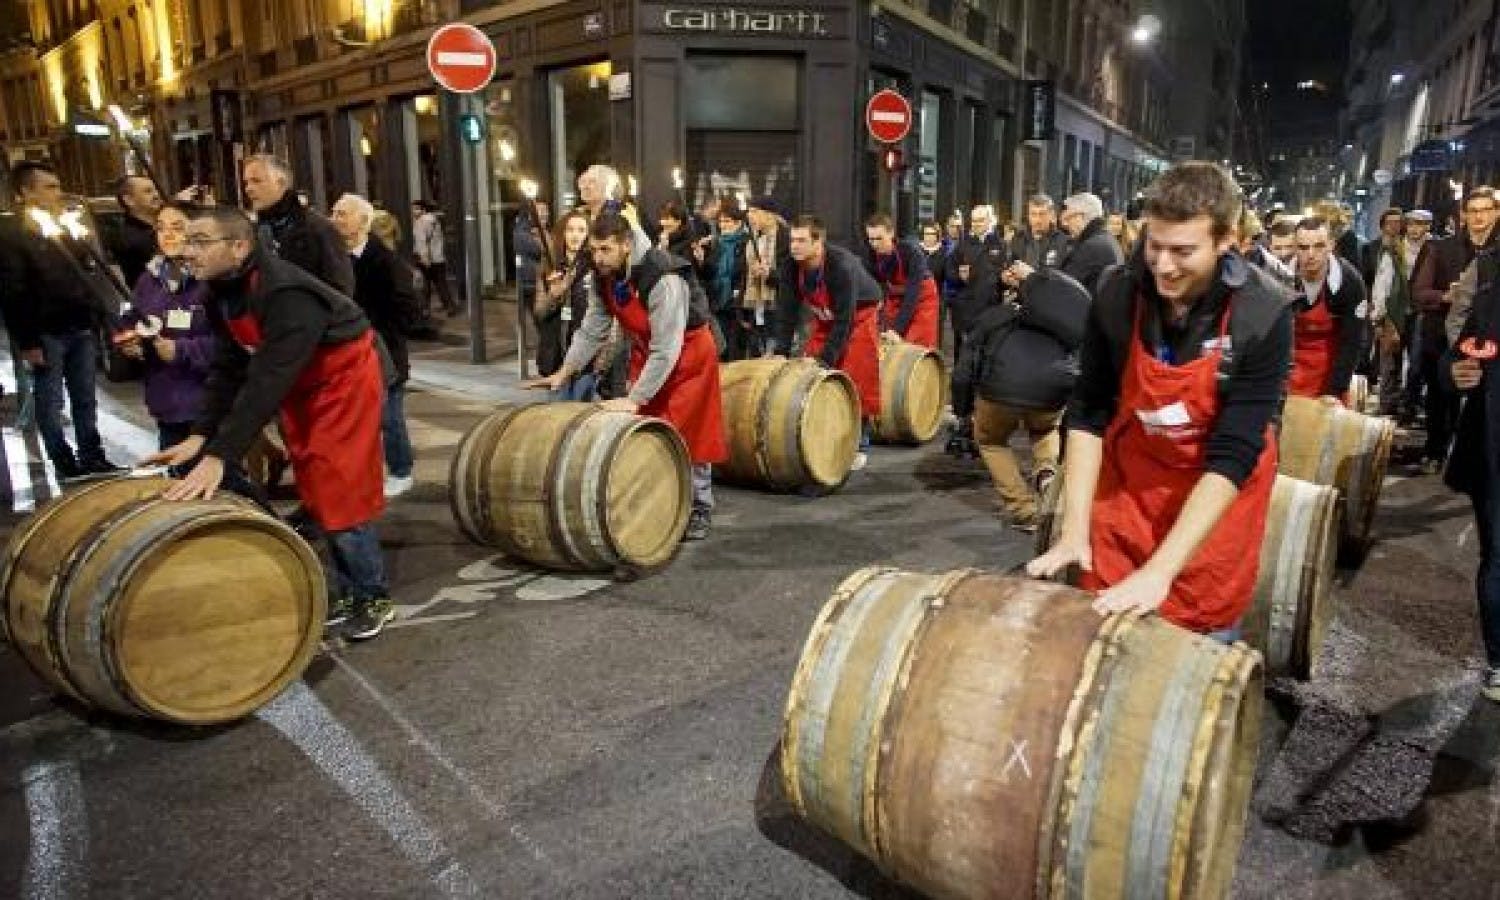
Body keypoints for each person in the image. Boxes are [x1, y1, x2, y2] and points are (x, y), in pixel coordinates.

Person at [1027, 161, 1293, 639]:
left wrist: (1160, 571)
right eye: (1155, 246)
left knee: (1195, 637)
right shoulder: (1118, 292)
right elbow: (1088, 412)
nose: (1164, 266)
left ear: (1226, 240)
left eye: (1183, 251)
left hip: (1211, 499)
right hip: (1133, 482)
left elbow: (1235, 451)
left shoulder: (1263, 313)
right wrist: (1074, 529)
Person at [148, 206, 394, 641]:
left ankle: (373, 594)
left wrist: (222, 455)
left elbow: (265, 382)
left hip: (343, 379)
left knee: (340, 484)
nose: (188, 251)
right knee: (313, 483)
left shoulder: (284, 293)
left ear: (240, 246)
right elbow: (229, 368)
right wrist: (200, 435)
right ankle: (346, 589)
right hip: (301, 383)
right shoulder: (218, 290)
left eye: (200, 241)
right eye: (187, 240)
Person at [524, 213, 726, 541]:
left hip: (688, 358)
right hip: (650, 354)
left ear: (627, 245)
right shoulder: (602, 275)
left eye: (606, 249)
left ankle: (700, 505)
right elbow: (592, 329)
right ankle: (663, 498)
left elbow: (668, 347)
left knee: (691, 431)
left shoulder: (662, 277)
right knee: (649, 430)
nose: (598, 257)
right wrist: (566, 370)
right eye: (594, 249)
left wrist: (635, 398)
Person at [0, 161, 124, 479]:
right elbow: (14, 289)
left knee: (85, 397)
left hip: (78, 324)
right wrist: (27, 340)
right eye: (49, 187)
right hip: (45, 332)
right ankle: (63, 461)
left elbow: (85, 270)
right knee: (51, 402)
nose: (58, 193)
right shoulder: (12, 233)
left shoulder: (63, 224)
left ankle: (91, 456)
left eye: (57, 186)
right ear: (26, 191)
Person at [953, 268, 1091, 532]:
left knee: (991, 441)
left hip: (1000, 390)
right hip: (1052, 390)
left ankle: (1024, 511)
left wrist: (963, 411)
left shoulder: (995, 317)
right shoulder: (1061, 323)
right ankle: (1047, 475)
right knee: (1044, 429)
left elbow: (964, 368)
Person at [774, 215, 884, 469]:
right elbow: (786, 313)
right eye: (792, 240)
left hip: (859, 315)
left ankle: (857, 442)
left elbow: (845, 321)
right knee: (809, 373)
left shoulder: (841, 266)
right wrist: (780, 352)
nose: (794, 246)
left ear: (818, 242)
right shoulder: (791, 266)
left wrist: (827, 358)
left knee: (856, 374)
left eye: (801, 240)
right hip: (825, 317)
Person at [332, 193, 421, 499]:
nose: (336, 219)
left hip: (383, 352)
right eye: (335, 212)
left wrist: (374, 327)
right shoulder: (332, 258)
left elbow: (408, 310)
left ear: (363, 221)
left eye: (343, 214)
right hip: (347, 353)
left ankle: (400, 470)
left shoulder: (385, 261)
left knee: (389, 416)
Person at [1444, 244, 1500, 701]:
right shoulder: (1488, 284)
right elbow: (1460, 352)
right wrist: (1456, 371)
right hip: (1491, 449)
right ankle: (1499, 660)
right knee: (1498, 558)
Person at [116, 200, 215, 451]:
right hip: (167, 400)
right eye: (161, 228)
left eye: (177, 227)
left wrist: (180, 350)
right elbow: (132, 320)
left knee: (217, 482)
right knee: (176, 480)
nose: (168, 235)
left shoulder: (213, 278)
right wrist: (130, 340)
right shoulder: (150, 279)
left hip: (208, 403)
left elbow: (233, 344)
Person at [1413, 187, 1499, 473]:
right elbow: (1420, 293)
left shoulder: (1494, 252)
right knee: (1440, 400)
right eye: (1473, 211)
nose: (1479, 217)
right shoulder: (1441, 248)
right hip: (1442, 338)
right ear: (1463, 216)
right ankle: (1436, 451)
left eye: (1486, 210)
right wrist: (1446, 296)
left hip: (1488, 343)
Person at [242, 154, 354, 296]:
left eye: (256, 181)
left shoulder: (317, 228)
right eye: (246, 183)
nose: (248, 189)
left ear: (281, 183)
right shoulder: (253, 231)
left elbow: (341, 287)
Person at [1287, 216, 1365, 402]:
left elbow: (1352, 342)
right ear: (1295, 248)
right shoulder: (1279, 277)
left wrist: (1335, 391)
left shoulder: (1351, 281)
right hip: (1288, 367)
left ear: (1331, 245)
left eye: (1319, 246)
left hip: (1331, 369)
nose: (1311, 254)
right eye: (1303, 247)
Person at [534, 208, 601, 399]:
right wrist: (554, 296)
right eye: (570, 229)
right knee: (558, 417)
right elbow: (539, 314)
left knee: (583, 418)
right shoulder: (550, 265)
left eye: (581, 230)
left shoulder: (596, 267)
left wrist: (602, 360)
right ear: (563, 233)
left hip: (586, 359)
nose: (575, 235)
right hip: (556, 357)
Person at [1007, 192, 1122, 299]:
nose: (1066, 224)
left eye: (1068, 218)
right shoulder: (1106, 240)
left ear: (1080, 217)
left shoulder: (1090, 248)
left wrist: (1029, 276)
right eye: (1033, 214)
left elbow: (1062, 290)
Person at [863, 212, 940, 348]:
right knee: (887, 342)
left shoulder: (912, 253)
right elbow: (871, 288)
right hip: (895, 297)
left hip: (922, 299)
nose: (874, 244)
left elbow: (912, 295)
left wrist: (897, 330)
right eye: (871, 239)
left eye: (879, 239)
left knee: (913, 346)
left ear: (891, 233)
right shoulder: (870, 255)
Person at [743, 197, 788, 358]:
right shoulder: (753, 239)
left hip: (778, 305)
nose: (749, 216)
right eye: (748, 211)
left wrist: (769, 273)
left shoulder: (785, 238)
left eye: (754, 211)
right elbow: (744, 272)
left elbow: (789, 277)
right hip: (757, 305)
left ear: (770, 215)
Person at [111, 174, 163, 289]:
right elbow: (168, 277)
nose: (156, 195)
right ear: (129, 200)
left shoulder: (160, 226)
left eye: (156, 190)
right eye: (148, 191)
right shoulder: (129, 238)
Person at [411, 200, 456, 315]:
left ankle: (424, 309)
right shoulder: (435, 220)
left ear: (423, 209)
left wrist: (424, 258)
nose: (413, 211)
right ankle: (449, 306)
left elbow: (421, 242)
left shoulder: (421, 222)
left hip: (426, 258)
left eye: (416, 208)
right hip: (438, 257)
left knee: (425, 284)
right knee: (441, 283)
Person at [1008, 194, 1070, 270]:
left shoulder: (1063, 241)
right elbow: (1010, 265)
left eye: (1042, 214)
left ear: (1051, 215)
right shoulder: (1018, 238)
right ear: (1028, 216)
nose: (1038, 220)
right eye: (1033, 214)